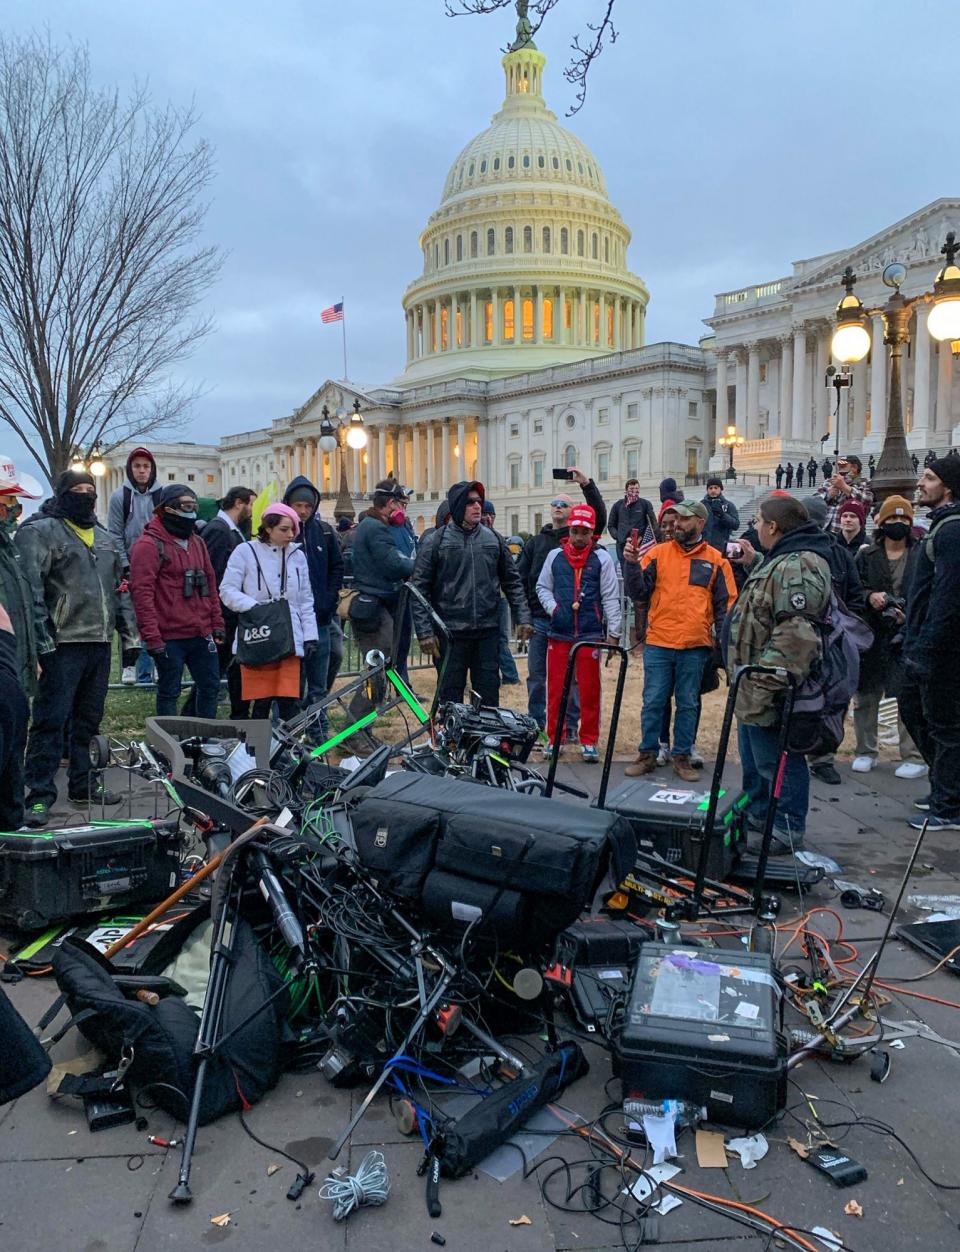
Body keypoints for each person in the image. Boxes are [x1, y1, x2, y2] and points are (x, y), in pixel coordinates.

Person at [18, 470, 137, 826]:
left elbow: (121, 589)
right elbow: (32, 593)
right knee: (50, 722)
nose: (86, 496)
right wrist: (42, 642)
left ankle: (84, 783)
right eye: (77, 490)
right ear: (62, 494)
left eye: (90, 490)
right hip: (61, 643)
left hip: (99, 643)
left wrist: (130, 637)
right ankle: (39, 794)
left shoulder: (105, 538)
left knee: (89, 721)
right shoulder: (40, 532)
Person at [726, 496, 832, 854]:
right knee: (756, 760)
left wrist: (764, 682)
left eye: (757, 521)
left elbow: (796, 633)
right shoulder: (784, 557)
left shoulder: (800, 563)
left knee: (776, 759)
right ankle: (759, 814)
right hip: (751, 683)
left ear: (773, 526)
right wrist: (754, 561)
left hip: (768, 685)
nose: (754, 527)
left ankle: (787, 827)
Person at [622, 501, 736, 782]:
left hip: (694, 646)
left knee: (688, 703)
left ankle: (682, 756)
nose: (676, 525)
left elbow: (726, 605)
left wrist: (722, 647)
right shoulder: (658, 554)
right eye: (675, 521)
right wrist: (632, 563)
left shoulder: (716, 560)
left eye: (684, 520)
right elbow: (638, 591)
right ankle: (647, 754)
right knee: (653, 701)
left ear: (700, 521)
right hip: (660, 642)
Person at [411, 480, 532, 707]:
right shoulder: (436, 541)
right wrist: (425, 632)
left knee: (487, 698)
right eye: (470, 502)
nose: (478, 507)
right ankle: (452, 743)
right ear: (458, 506)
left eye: (479, 501)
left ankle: (485, 740)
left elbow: (512, 582)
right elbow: (418, 589)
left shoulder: (493, 538)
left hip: (487, 632)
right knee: (450, 698)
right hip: (450, 633)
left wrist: (522, 616)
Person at [517, 469, 606, 740]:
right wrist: (524, 616)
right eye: (554, 504)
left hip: (573, 622)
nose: (557, 507)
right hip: (541, 620)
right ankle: (536, 725)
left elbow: (598, 516)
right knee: (537, 676)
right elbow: (520, 579)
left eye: (563, 504)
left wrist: (586, 485)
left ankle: (568, 728)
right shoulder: (537, 542)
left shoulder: (582, 539)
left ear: (573, 513)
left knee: (574, 679)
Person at [899, 458, 960, 831]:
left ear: (948, 488)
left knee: (945, 726)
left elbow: (948, 597)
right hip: (925, 641)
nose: (920, 483)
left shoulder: (952, 532)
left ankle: (949, 805)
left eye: (929, 478)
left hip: (941, 650)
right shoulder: (941, 528)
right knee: (915, 710)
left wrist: (926, 646)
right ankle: (946, 787)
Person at [129, 485, 225, 719]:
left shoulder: (197, 542)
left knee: (210, 687)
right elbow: (142, 595)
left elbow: (210, 585)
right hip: (169, 636)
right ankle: (167, 745)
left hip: (201, 632)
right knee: (169, 691)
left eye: (194, 506)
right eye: (186, 506)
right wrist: (152, 638)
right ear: (168, 509)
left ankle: (205, 741)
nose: (192, 512)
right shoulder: (148, 545)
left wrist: (217, 622)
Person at [536, 504, 621, 763]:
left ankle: (589, 740)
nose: (579, 537)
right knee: (556, 690)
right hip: (560, 633)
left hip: (589, 633)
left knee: (589, 689)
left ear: (593, 532)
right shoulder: (555, 556)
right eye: (575, 531)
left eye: (585, 532)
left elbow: (610, 597)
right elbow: (542, 587)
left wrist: (614, 632)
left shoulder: (602, 559)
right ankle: (555, 737)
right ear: (569, 531)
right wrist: (555, 609)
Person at [220, 504, 318, 722]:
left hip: (289, 638)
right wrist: (255, 607)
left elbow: (305, 599)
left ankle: (286, 752)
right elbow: (227, 590)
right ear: (268, 528)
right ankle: (250, 751)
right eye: (284, 529)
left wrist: (310, 636)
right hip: (258, 634)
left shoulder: (297, 556)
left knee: (289, 703)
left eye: (293, 529)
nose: (291, 534)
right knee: (256, 703)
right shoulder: (245, 551)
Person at [851, 495, 925, 779]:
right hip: (872, 634)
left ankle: (913, 755)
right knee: (866, 696)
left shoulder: (920, 553)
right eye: (891, 519)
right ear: (881, 522)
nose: (897, 523)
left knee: (907, 695)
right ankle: (865, 750)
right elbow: (854, 590)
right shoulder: (866, 555)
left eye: (902, 519)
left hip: (907, 634)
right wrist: (871, 596)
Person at [800, 495, 867, 786]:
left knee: (831, 700)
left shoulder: (839, 554)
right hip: (795, 638)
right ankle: (793, 753)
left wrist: (847, 630)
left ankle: (823, 758)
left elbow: (855, 595)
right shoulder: (786, 551)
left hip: (831, 639)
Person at [345, 480, 417, 724]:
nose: (403, 509)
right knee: (377, 669)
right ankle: (354, 729)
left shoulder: (372, 525)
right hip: (373, 608)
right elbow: (392, 563)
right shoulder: (375, 528)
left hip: (377, 605)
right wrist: (419, 566)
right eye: (400, 503)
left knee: (379, 669)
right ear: (390, 504)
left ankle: (361, 729)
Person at [184, 486, 256, 720]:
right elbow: (212, 573)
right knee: (210, 676)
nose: (251, 510)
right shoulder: (219, 530)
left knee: (216, 673)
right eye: (251, 504)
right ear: (239, 502)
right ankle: (191, 720)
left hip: (228, 615)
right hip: (221, 616)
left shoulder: (232, 531)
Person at [282, 477, 344, 720]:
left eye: (308, 506)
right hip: (290, 622)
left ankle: (318, 731)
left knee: (320, 682)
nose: (304, 511)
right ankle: (291, 733)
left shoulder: (324, 532)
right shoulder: (283, 533)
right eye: (299, 505)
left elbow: (336, 567)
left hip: (320, 617)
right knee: (293, 685)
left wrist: (329, 598)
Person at [0, 458, 39, 829]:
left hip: (11, 655)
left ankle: (11, 822)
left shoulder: (8, 549)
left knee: (14, 741)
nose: (15, 512)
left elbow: (24, 603)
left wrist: (31, 654)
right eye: (9, 504)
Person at [107, 446, 162, 685]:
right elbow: (115, 533)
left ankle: (157, 663)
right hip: (129, 565)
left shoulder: (162, 496)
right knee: (130, 617)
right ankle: (132, 667)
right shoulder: (120, 496)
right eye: (137, 466)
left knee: (157, 615)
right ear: (130, 469)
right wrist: (124, 564)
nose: (141, 471)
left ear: (152, 470)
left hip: (158, 565)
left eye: (146, 466)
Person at [483, 500, 521, 685]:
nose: (488, 518)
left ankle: (510, 675)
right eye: (485, 514)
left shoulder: (497, 539)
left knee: (501, 638)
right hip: (487, 597)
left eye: (491, 515)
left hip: (500, 598)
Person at [607, 478, 658, 565]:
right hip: (622, 546)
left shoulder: (645, 504)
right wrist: (619, 537)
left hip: (641, 547)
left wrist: (645, 539)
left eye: (637, 489)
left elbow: (653, 524)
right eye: (631, 489)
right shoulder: (617, 505)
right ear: (626, 490)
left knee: (642, 572)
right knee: (625, 573)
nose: (634, 491)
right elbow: (611, 525)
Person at [818, 454, 873, 533]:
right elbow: (814, 502)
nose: (839, 469)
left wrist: (844, 487)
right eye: (838, 466)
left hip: (848, 533)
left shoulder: (864, 482)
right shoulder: (828, 482)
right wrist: (828, 495)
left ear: (854, 467)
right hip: (824, 532)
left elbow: (866, 501)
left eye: (843, 466)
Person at [701, 477, 740, 552]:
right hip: (704, 546)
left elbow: (736, 524)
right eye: (710, 488)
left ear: (721, 489)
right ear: (707, 490)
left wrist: (722, 515)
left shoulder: (728, 505)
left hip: (722, 547)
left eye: (716, 488)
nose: (713, 490)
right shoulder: (701, 505)